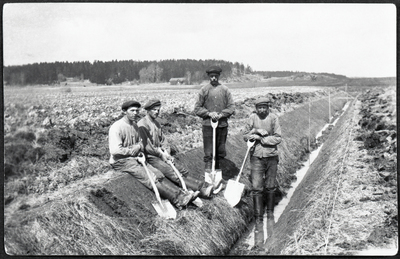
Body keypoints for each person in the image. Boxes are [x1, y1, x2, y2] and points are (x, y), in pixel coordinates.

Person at [108, 100, 198, 210]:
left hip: (136, 158)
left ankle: (182, 194)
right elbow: (115, 150)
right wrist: (133, 150)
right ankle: (177, 200)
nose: (135, 113)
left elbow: (141, 143)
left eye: (137, 111)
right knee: (150, 177)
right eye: (132, 111)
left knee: (158, 174)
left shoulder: (135, 126)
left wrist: (138, 149)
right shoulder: (117, 127)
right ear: (124, 112)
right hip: (121, 161)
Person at [138, 99, 214, 198]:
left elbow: (163, 140)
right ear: (147, 110)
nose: (157, 112)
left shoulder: (156, 123)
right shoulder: (142, 124)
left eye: (158, 110)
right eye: (154, 110)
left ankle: (201, 186)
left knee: (180, 168)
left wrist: (167, 152)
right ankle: (201, 191)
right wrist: (161, 154)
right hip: (151, 157)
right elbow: (147, 147)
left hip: (162, 154)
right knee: (170, 171)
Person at [242, 97, 282, 224]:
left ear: (268, 107)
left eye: (264, 107)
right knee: (257, 187)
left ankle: (270, 213)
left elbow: (278, 138)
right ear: (256, 108)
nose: (262, 110)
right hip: (256, 157)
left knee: (270, 186)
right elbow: (244, 136)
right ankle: (258, 217)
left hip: (271, 156)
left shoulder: (273, 118)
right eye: (259, 107)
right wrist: (255, 131)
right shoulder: (252, 118)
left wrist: (261, 139)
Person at [194, 65, 235, 180]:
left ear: (219, 76)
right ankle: (209, 178)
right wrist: (209, 113)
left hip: (222, 125)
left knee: (220, 151)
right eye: (211, 76)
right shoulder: (204, 90)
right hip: (208, 126)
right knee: (209, 152)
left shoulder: (225, 90)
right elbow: (197, 108)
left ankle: (219, 177)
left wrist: (222, 114)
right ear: (209, 77)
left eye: (216, 76)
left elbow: (231, 107)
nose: (214, 78)